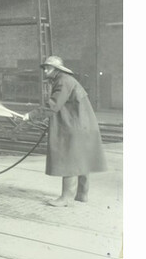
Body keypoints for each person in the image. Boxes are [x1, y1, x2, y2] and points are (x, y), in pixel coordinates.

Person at [26, 55, 107, 207]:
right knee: (82, 160)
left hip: (76, 126)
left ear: (57, 69)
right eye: (44, 67)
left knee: (70, 159)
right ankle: (82, 195)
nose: (45, 70)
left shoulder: (62, 81)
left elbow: (53, 105)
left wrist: (31, 115)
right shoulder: (66, 80)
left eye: (48, 67)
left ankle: (65, 198)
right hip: (84, 125)